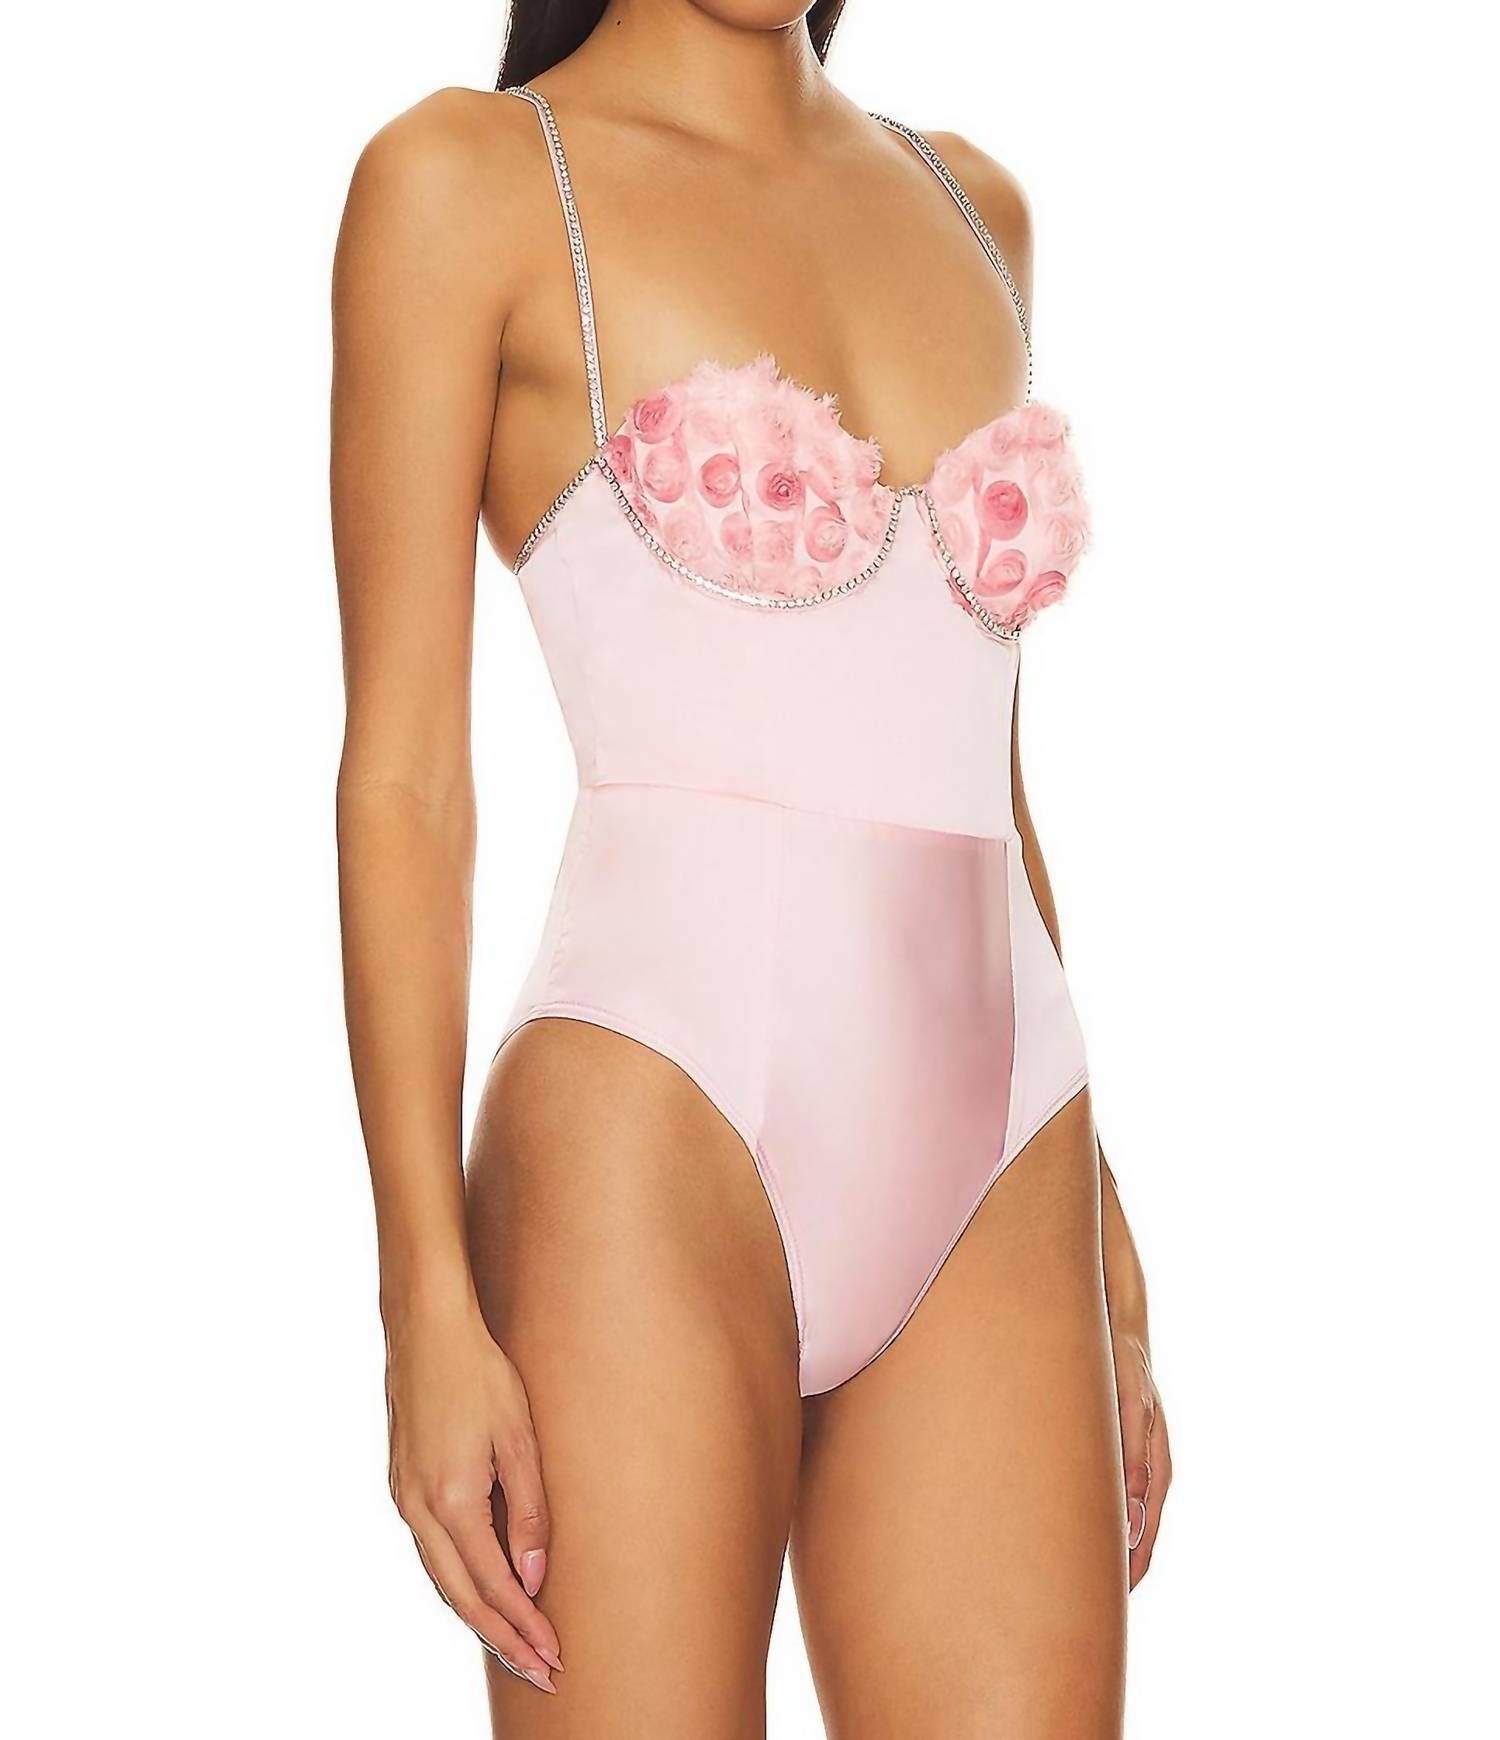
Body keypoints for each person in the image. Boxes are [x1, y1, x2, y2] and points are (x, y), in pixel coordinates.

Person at [331, 2, 1169, 1732]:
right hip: (655, 1133)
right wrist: (421, 1292)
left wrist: (1101, 1206)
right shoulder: (470, 183)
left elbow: (986, 765)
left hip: (1007, 1151)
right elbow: (408, 782)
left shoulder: (975, 207)